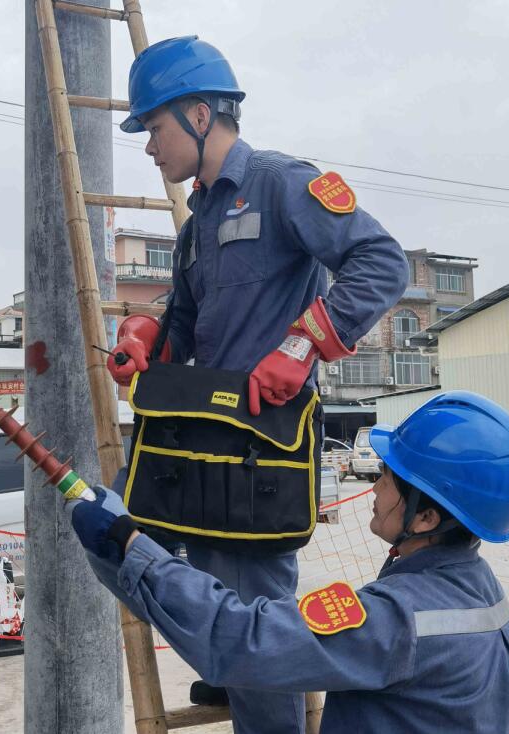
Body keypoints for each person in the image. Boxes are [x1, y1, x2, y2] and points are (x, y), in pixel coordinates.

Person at [105, 36, 409, 731]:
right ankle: (232, 673)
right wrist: (150, 335)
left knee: (257, 608)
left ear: (201, 115)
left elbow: (381, 262)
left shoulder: (280, 182)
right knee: (189, 570)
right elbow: (185, 320)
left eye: (152, 128)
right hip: (206, 434)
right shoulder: (196, 223)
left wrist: (302, 344)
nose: (149, 148)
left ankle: (259, 699)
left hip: (263, 442)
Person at [69, 391, 509, 733]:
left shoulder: (398, 619)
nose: (374, 489)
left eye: (390, 480)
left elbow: (240, 641)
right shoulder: (478, 587)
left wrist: (131, 546)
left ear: (427, 517)